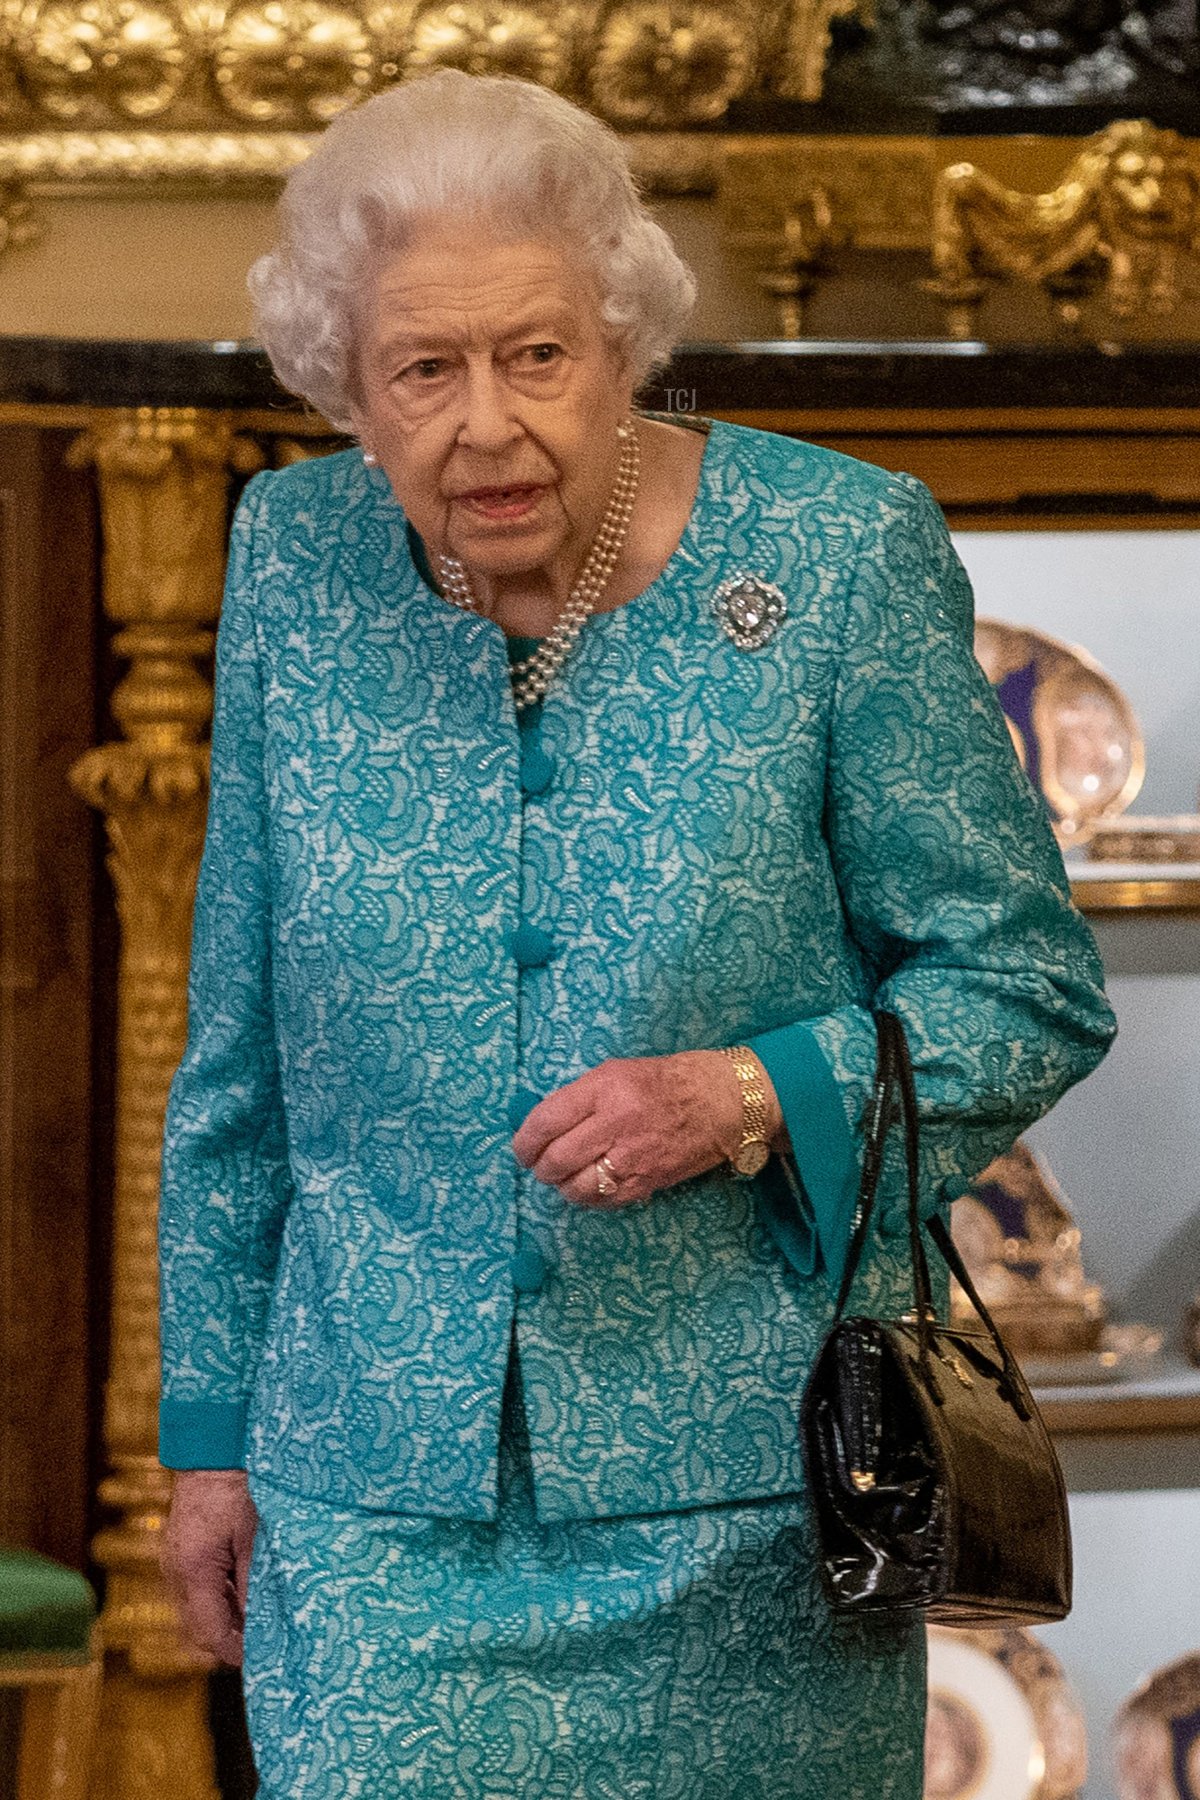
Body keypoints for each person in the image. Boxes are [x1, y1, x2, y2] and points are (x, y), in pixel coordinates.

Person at [157, 67, 1116, 1800]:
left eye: (537, 355)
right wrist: (209, 1444)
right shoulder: (294, 556)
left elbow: (1025, 982)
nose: (487, 426)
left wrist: (746, 1094)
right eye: (422, 372)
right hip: (371, 1509)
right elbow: (238, 1054)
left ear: (620, 339)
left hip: (755, 1505)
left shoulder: (835, 556)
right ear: (343, 390)